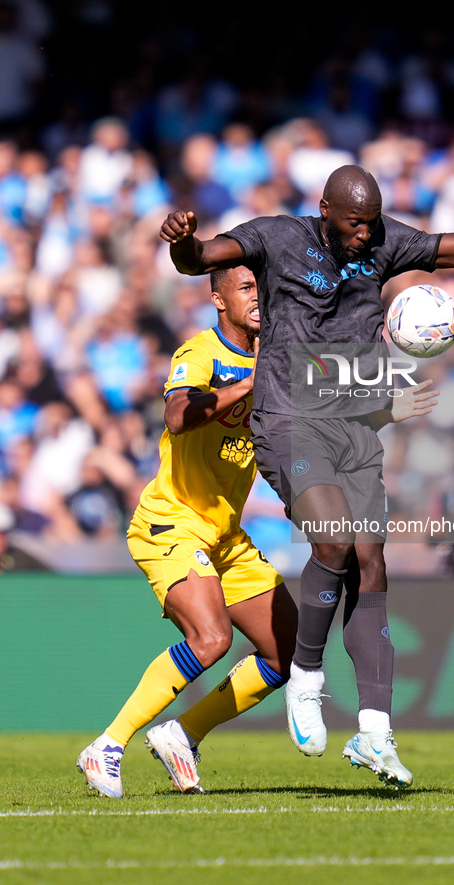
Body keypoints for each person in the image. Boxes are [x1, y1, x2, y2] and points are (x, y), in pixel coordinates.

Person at [159, 164, 454, 788]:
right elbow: (200, 258)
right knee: (335, 540)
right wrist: (182, 239)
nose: (364, 235)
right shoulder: (277, 237)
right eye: (353, 223)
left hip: (356, 424)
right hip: (289, 418)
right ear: (325, 210)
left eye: (371, 223)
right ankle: (307, 681)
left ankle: (375, 734)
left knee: (370, 561)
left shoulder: (384, 241)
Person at [77, 265, 299, 798]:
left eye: (261, 288)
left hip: (225, 535)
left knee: (283, 650)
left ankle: (184, 732)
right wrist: (247, 385)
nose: (257, 298)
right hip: (171, 521)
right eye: (246, 288)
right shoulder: (200, 353)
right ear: (217, 297)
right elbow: (177, 415)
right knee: (211, 638)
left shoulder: (279, 360)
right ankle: (107, 745)